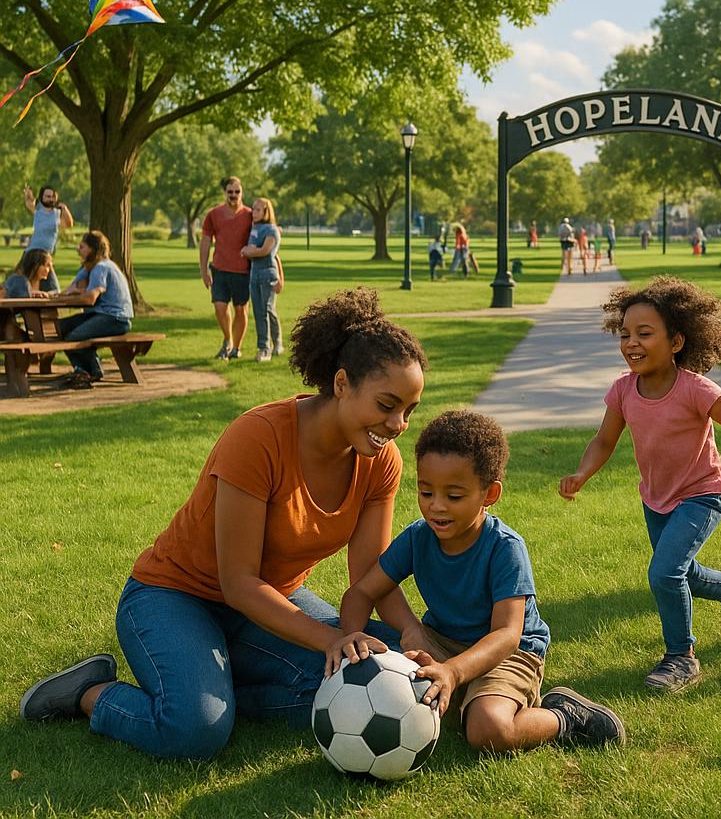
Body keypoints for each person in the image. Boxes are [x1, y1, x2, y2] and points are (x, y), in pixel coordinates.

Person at [20, 288, 427, 760]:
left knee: (387, 669)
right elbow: (237, 583)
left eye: (409, 410)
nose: (398, 423)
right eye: (387, 404)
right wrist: (334, 639)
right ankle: (92, 693)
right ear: (341, 384)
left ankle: (219, 688)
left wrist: (406, 639)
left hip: (272, 600)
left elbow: (368, 574)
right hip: (173, 596)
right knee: (194, 732)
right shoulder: (259, 438)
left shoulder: (381, 461)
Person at [332, 410, 626, 752]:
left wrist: (454, 672)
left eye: (453, 496)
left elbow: (507, 634)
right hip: (442, 641)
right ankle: (460, 696)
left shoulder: (504, 548)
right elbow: (363, 592)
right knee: (393, 693)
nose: (436, 507)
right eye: (426, 492)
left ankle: (565, 717)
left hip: (507, 654)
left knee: (487, 730)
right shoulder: (417, 538)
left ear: (489, 494)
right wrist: (359, 633)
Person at [558, 277, 721, 692]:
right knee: (681, 574)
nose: (631, 343)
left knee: (663, 573)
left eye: (644, 334)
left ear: (676, 342)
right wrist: (582, 473)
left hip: (701, 494)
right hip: (656, 499)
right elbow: (604, 441)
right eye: (625, 334)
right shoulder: (623, 390)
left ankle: (681, 657)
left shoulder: (694, 389)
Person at [55, 232, 133, 389]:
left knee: (74, 337)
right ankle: (85, 370)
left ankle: (88, 372)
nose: (78, 249)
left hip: (116, 318)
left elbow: (89, 299)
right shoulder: (88, 268)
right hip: (100, 314)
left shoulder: (101, 267)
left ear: (93, 249)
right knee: (60, 328)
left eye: (82, 246)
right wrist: (52, 296)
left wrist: (75, 295)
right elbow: (69, 290)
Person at [199, 176, 252, 360]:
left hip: (243, 271)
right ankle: (228, 341)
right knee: (220, 307)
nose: (234, 195)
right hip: (219, 269)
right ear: (225, 193)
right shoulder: (214, 214)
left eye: (237, 191)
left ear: (242, 192)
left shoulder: (250, 215)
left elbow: (265, 232)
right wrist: (204, 269)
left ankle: (237, 348)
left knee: (241, 310)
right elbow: (205, 241)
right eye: (230, 192)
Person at [240, 197, 284, 363]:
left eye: (258, 209)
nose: (254, 212)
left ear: (267, 211)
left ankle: (272, 345)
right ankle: (265, 346)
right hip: (254, 274)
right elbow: (251, 250)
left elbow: (265, 251)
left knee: (267, 310)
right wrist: (250, 250)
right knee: (259, 312)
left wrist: (249, 251)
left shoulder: (272, 230)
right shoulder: (254, 228)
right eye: (253, 209)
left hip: (268, 275)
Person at [23, 184, 73, 292]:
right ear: (42, 198)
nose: (50, 199)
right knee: (24, 285)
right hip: (31, 254)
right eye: (47, 196)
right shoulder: (38, 210)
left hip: (45, 257)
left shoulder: (57, 214)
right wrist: (28, 195)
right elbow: (29, 203)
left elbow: (69, 224)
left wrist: (65, 208)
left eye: (52, 196)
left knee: (53, 289)